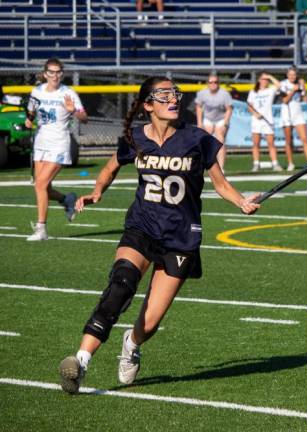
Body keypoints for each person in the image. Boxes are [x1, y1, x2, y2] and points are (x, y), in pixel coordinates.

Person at [57, 76, 260, 394]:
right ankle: (80, 362)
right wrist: (97, 192)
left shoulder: (197, 139)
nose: (173, 99)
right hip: (142, 226)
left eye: (175, 93)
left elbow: (220, 183)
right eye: (164, 95)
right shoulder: (135, 138)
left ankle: (132, 342)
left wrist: (242, 201)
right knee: (120, 286)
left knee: (148, 324)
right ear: (148, 104)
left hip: (181, 236)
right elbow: (111, 167)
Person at [25, 58, 88, 241]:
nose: (55, 75)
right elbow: (31, 112)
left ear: (62, 73)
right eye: (51, 72)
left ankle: (41, 229)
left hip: (59, 143)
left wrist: (73, 110)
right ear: (45, 73)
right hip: (41, 143)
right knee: (44, 188)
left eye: (58, 71)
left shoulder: (68, 93)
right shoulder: (37, 91)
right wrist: (28, 120)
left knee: (40, 185)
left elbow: (84, 118)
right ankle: (67, 200)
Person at [195, 72, 233, 171]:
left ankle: (221, 167)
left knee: (220, 138)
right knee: (205, 139)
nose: (213, 84)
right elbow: (198, 107)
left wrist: (225, 123)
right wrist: (199, 122)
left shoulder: (224, 94)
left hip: (221, 119)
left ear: (218, 83)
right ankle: (203, 165)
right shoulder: (202, 93)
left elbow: (229, 109)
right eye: (211, 82)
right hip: (208, 118)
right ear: (207, 83)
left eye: (215, 82)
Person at [248, 72, 283, 172]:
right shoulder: (253, 92)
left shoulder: (270, 90)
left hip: (268, 120)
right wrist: (255, 114)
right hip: (257, 121)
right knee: (256, 144)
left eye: (266, 80)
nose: (265, 81)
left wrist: (270, 76)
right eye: (263, 79)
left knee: (271, 143)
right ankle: (256, 164)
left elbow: (279, 85)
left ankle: (275, 163)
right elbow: (249, 106)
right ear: (259, 80)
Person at [280, 66, 307, 171]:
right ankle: (291, 163)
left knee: (305, 139)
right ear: (287, 75)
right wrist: (292, 91)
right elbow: (284, 100)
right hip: (287, 114)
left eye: (294, 75)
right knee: (288, 140)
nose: (292, 77)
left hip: (298, 114)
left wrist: (304, 88)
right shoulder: (283, 84)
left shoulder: (299, 84)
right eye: (290, 75)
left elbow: (306, 100)